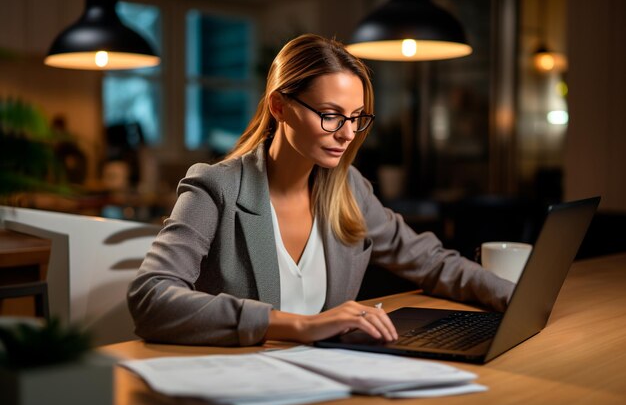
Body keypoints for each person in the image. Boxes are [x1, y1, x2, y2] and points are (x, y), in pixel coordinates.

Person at [127, 34, 514, 347]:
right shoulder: (216, 187)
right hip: (241, 386)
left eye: (357, 118)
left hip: (327, 383)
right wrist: (299, 326)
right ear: (279, 107)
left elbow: (431, 261)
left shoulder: (349, 190)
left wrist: (515, 296)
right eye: (330, 115)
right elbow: (150, 297)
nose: (347, 133)